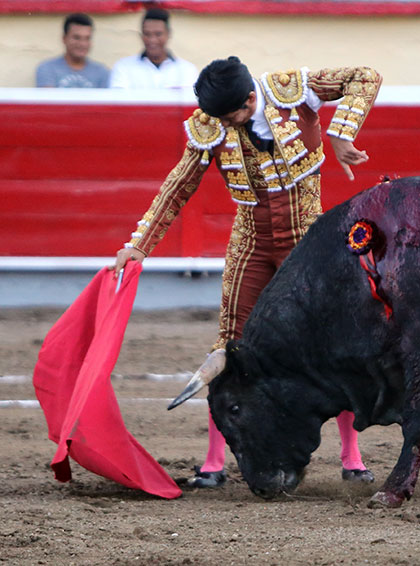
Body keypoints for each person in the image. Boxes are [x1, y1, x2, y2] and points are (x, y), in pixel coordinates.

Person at [110, 56, 382, 488]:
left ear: (251, 98)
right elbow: (177, 186)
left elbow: (365, 74)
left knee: (334, 345)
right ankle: (214, 464)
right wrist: (138, 245)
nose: (225, 126)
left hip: (307, 241)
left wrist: (342, 132)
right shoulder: (211, 124)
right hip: (251, 243)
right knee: (229, 349)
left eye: (232, 116)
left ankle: (351, 457)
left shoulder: (293, 90)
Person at [109, 8, 198, 90]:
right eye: (147, 34)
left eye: (158, 34)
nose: (152, 40)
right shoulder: (123, 67)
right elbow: (119, 103)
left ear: (168, 34)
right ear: (141, 36)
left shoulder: (187, 70)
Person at [35, 13, 109, 88]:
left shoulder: (102, 72)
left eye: (87, 38)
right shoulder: (48, 68)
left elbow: (106, 99)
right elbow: (48, 98)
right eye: (76, 38)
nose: (82, 44)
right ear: (64, 39)